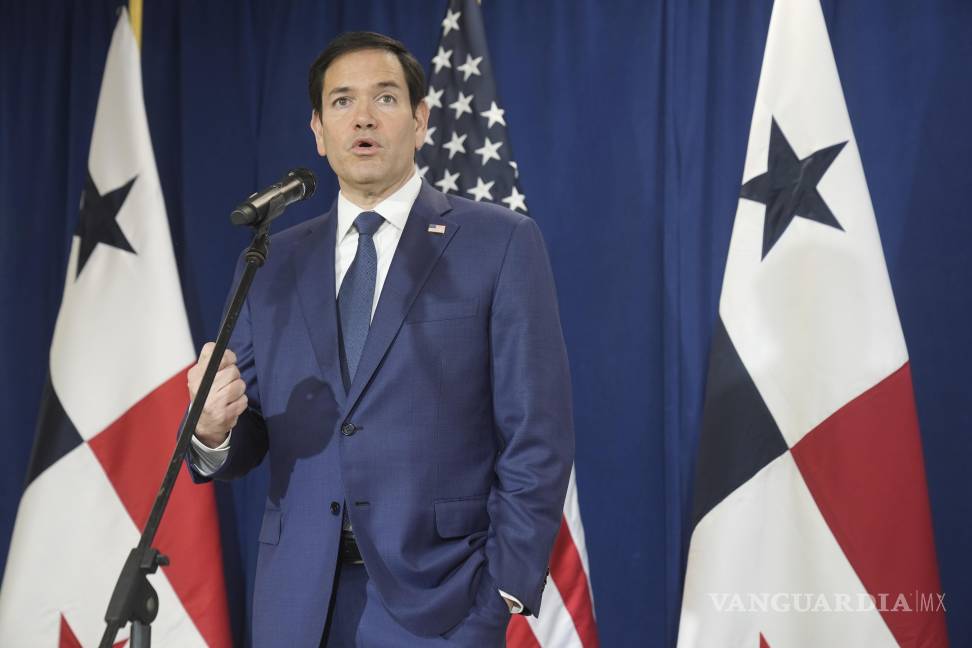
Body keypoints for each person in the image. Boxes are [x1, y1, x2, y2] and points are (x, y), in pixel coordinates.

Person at [186, 31, 574, 647]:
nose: (363, 117)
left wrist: (503, 588)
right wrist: (212, 430)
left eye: (385, 98)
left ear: (420, 121)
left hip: (444, 603)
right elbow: (251, 433)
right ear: (318, 131)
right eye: (341, 101)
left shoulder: (499, 243)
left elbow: (537, 433)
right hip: (298, 604)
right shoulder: (272, 261)